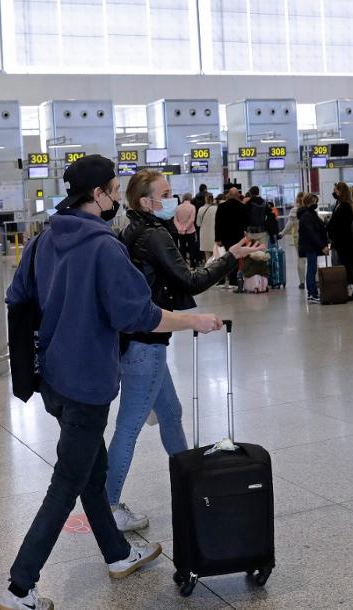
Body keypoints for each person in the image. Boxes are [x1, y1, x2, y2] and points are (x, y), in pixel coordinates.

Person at [1, 155, 223, 610]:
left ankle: (118, 555)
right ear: (97, 195)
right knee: (67, 483)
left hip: (53, 380)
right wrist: (193, 320)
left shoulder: (43, 241)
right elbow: (136, 314)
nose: (117, 197)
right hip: (87, 383)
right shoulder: (104, 247)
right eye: (114, 189)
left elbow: (17, 297)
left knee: (92, 473)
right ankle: (20, 588)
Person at [108, 171, 263, 532]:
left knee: (172, 413)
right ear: (146, 201)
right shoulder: (156, 234)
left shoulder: (132, 229)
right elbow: (191, 280)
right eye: (165, 194)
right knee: (128, 427)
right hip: (146, 344)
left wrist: (232, 254)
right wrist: (230, 259)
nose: (173, 200)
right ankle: (109, 505)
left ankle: (189, 481)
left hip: (142, 340)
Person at [295, 192, 329, 303]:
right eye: (314, 202)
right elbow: (312, 233)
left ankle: (313, 293)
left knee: (312, 269)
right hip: (310, 247)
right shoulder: (306, 216)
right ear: (309, 202)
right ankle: (312, 294)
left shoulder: (310, 214)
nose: (316, 204)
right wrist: (322, 246)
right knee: (311, 270)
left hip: (311, 246)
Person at [215, 187, 248, 285]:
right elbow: (246, 222)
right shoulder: (242, 207)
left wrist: (218, 238)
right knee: (237, 257)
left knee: (228, 257)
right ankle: (235, 279)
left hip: (226, 237)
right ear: (238, 195)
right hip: (238, 237)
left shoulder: (222, 207)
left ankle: (228, 278)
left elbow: (218, 223)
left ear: (228, 195)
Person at [174, 193, 199, 266]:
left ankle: (183, 264)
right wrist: (185, 228)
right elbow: (192, 220)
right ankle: (192, 264)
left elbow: (175, 220)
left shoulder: (178, 207)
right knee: (192, 248)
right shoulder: (192, 207)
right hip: (190, 231)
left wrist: (180, 228)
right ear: (190, 198)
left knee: (182, 248)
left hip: (180, 232)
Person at [197, 193, 220, 267]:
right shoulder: (217, 208)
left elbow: (198, 224)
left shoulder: (201, 209)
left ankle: (209, 274)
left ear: (205, 199)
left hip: (205, 235)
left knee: (207, 257)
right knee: (216, 256)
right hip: (215, 234)